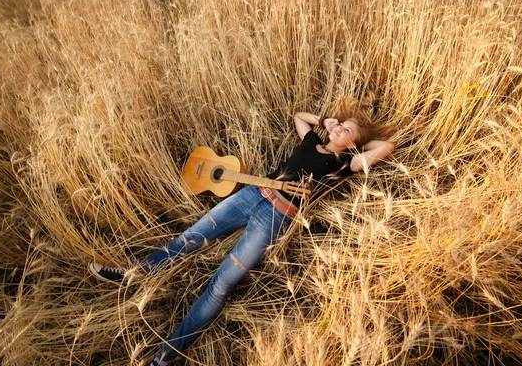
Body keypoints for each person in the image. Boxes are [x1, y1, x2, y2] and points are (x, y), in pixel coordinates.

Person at [89, 100, 396, 366]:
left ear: (354, 145)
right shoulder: (310, 141)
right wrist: (326, 121)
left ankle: (169, 351)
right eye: (341, 125)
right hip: (252, 194)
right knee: (189, 239)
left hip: (275, 218)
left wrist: (359, 142)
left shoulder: (346, 163)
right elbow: (298, 118)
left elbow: (387, 147)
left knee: (221, 284)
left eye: (347, 132)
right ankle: (131, 274)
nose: (339, 130)